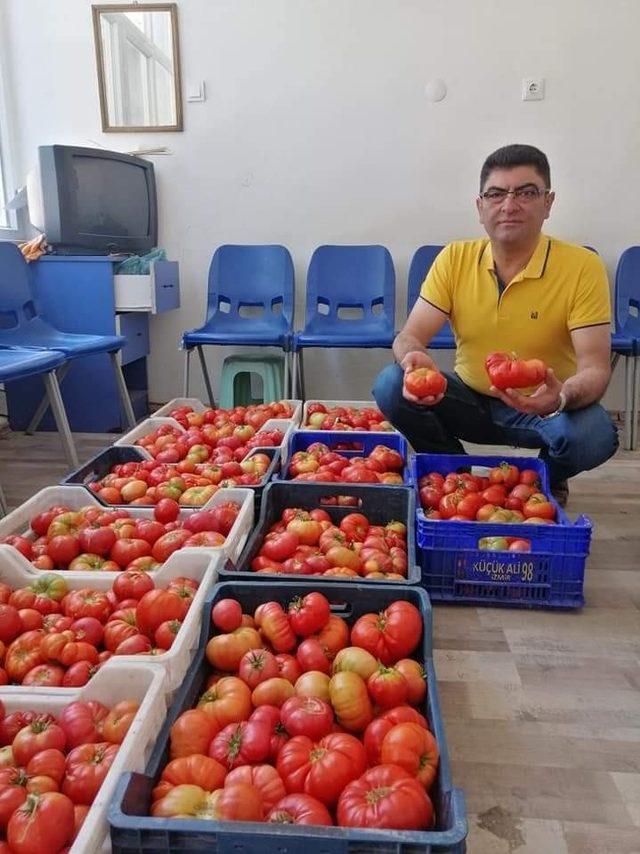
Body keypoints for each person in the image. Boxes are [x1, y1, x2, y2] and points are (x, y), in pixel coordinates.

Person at [373, 143, 618, 505]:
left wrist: (561, 397)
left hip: (545, 407)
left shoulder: (582, 266)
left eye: (526, 192)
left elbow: (596, 368)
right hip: (470, 401)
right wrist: (412, 359)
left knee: (596, 433)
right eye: (496, 193)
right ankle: (458, 475)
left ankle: (544, 478)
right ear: (480, 206)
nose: (509, 204)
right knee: (392, 384)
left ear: (548, 203)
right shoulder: (455, 258)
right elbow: (409, 336)